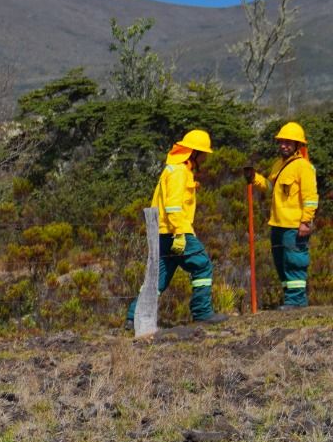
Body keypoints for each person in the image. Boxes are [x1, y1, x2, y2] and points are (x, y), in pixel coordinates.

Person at [127, 129, 227, 326]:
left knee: (158, 278)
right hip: (175, 231)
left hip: (163, 232)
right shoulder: (179, 172)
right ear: (194, 153)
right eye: (203, 153)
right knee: (202, 265)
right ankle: (202, 313)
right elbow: (173, 207)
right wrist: (180, 233)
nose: (206, 157)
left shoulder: (175, 170)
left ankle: (133, 317)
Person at [250, 122, 318, 308]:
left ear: (298, 145)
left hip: (294, 226)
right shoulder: (278, 165)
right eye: (282, 142)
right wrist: (254, 178)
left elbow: (311, 197)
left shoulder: (303, 167)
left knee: (294, 262)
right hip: (277, 224)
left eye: (289, 142)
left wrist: (306, 221)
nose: (284, 145)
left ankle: (296, 301)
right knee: (281, 263)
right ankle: (291, 300)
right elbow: (271, 188)